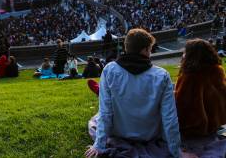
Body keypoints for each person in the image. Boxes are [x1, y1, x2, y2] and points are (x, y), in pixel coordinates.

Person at [85, 28, 182, 158]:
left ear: (126, 47)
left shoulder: (109, 70)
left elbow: (105, 112)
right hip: (150, 135)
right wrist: (176, 151)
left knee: (96, 119)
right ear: (145, 49)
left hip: (119, 133)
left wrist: (99, 145)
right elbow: (169, 117)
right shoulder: (161, 75)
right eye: (150, 49)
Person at [175, 39, 226, 140]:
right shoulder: (218, 70)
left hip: (197, 130)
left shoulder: (190, 76)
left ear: (191, 54)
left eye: (185, 52)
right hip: (216, 124)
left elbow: (182, 105)